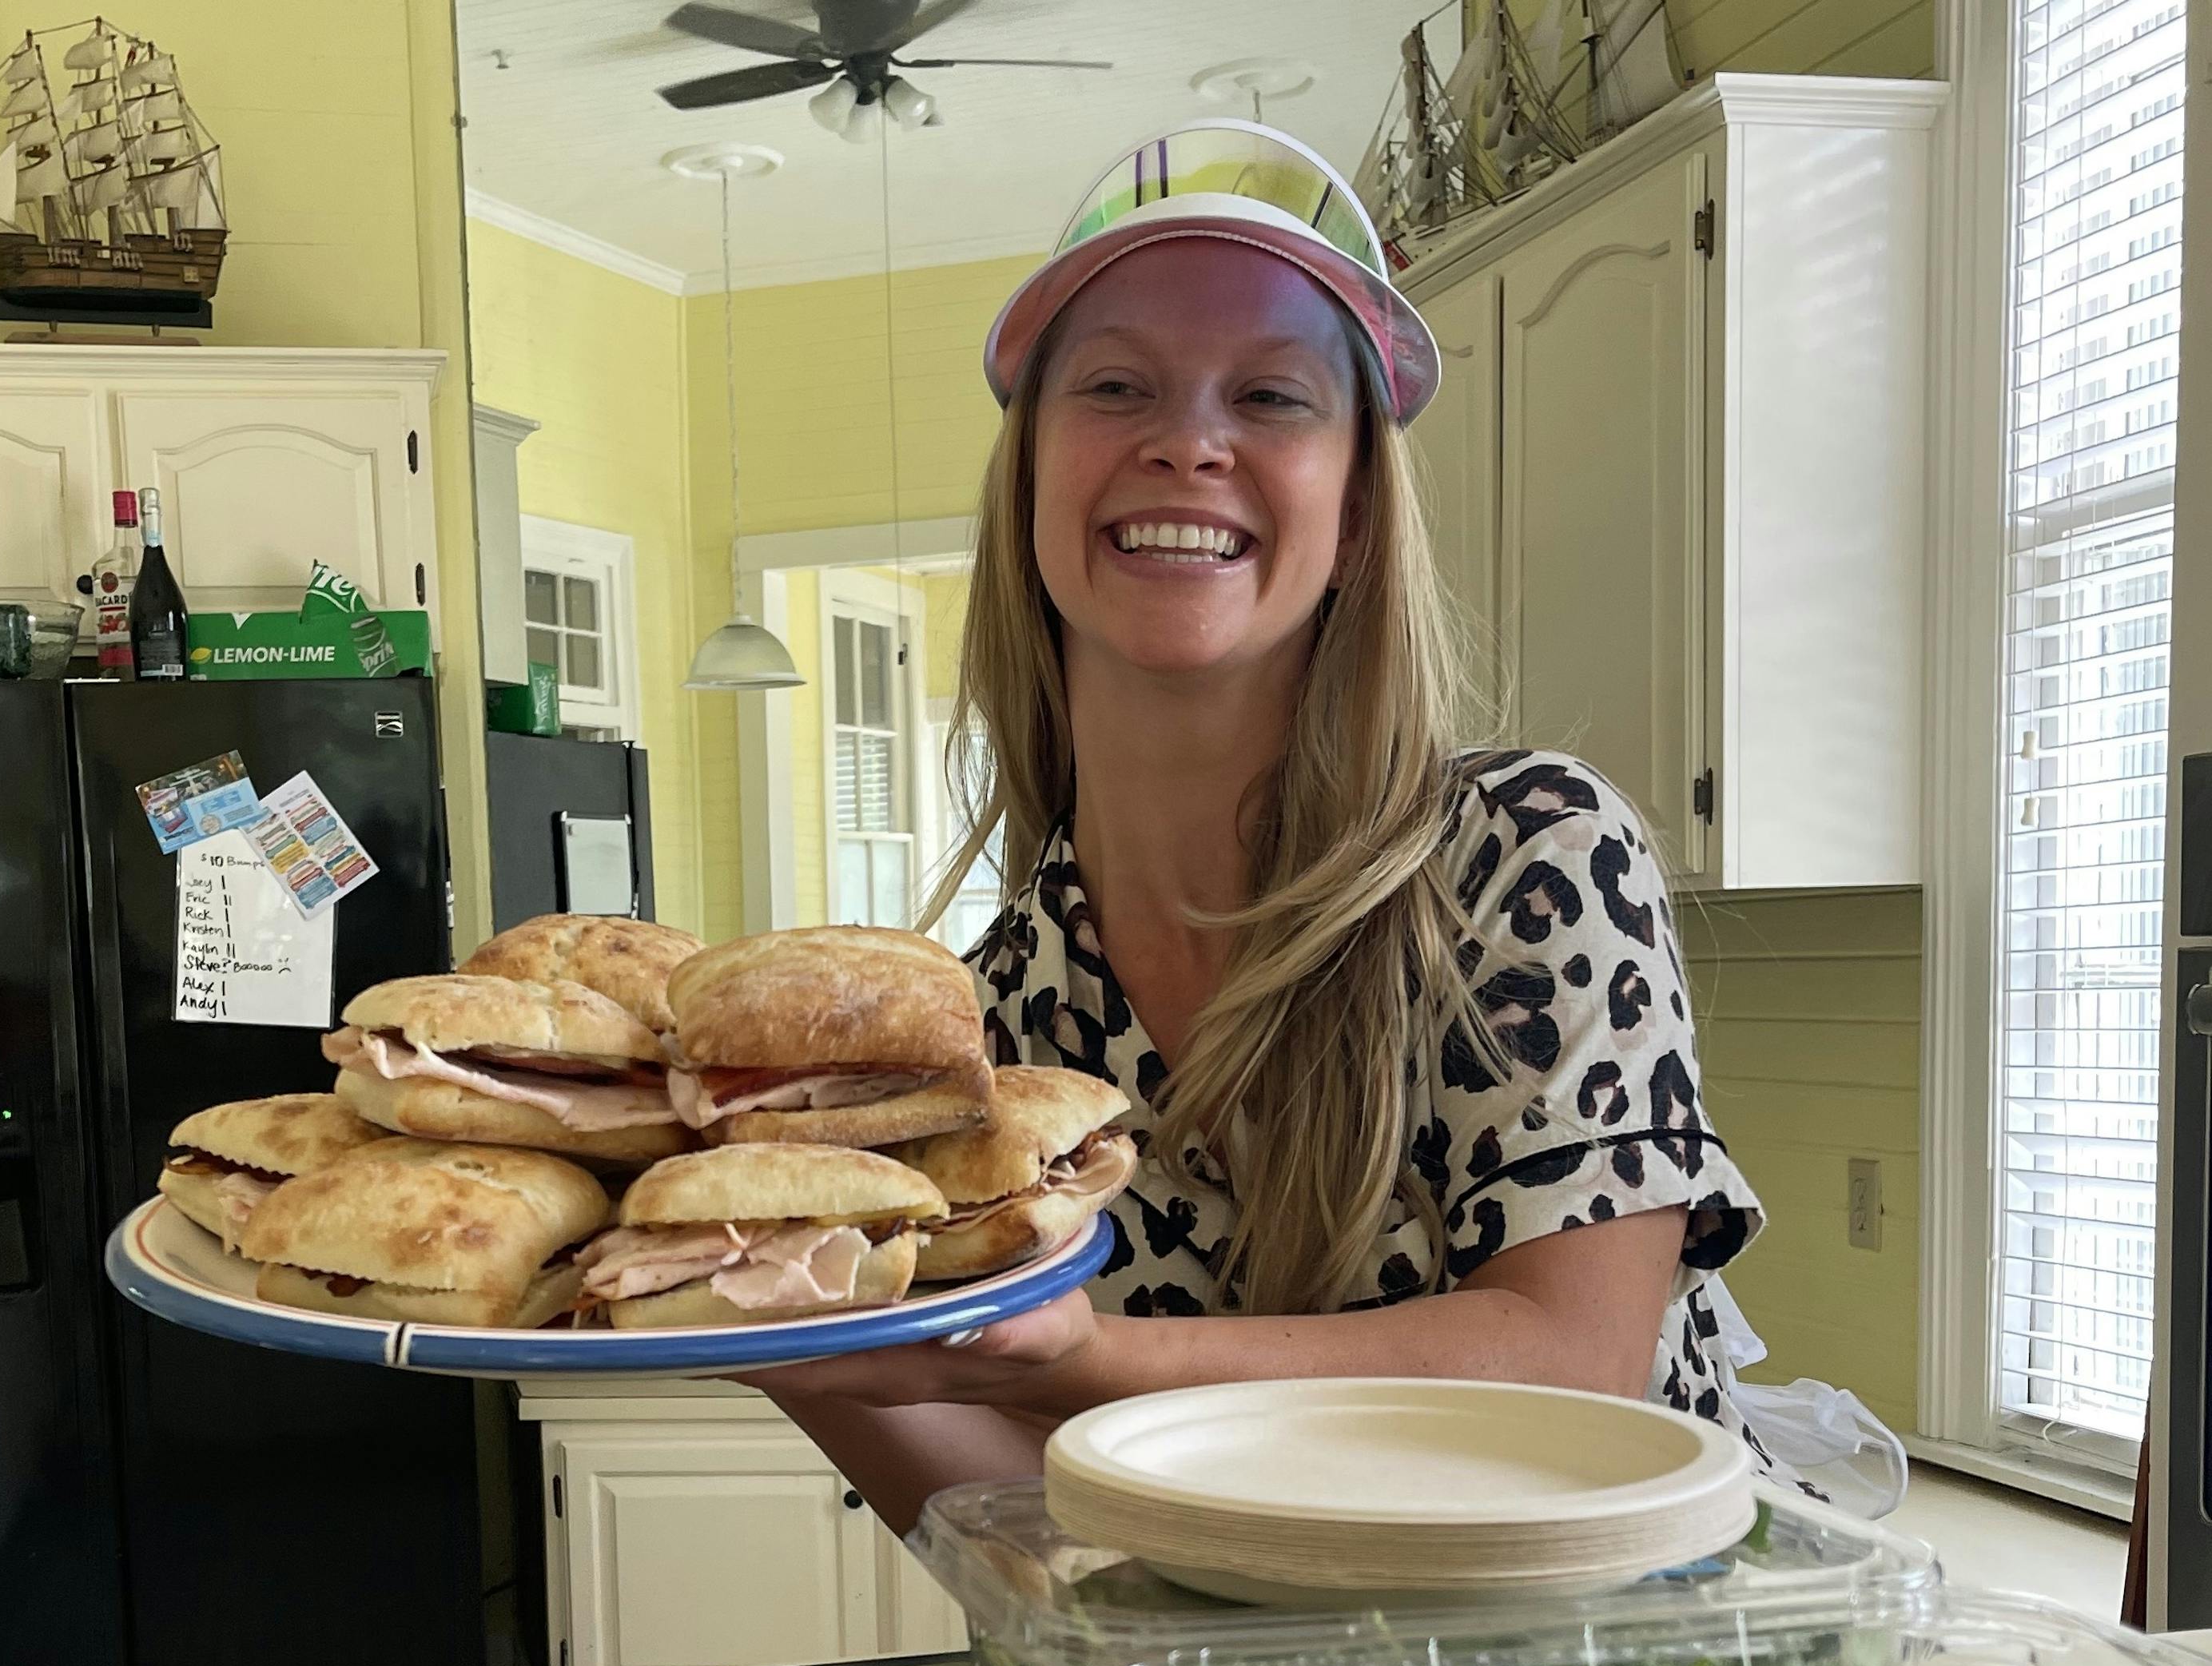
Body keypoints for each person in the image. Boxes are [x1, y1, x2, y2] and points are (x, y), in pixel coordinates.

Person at [750, 124, 1770, 1537]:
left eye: (1274, 396)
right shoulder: (994, 1023)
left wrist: (1091, 1360)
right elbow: (1040, 1545)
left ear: (1355, 510)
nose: (1188, 440)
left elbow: (1571, 1369)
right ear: (1032, 481)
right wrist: (773, 1331)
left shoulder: (1530, 860)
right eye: (1117, 385)